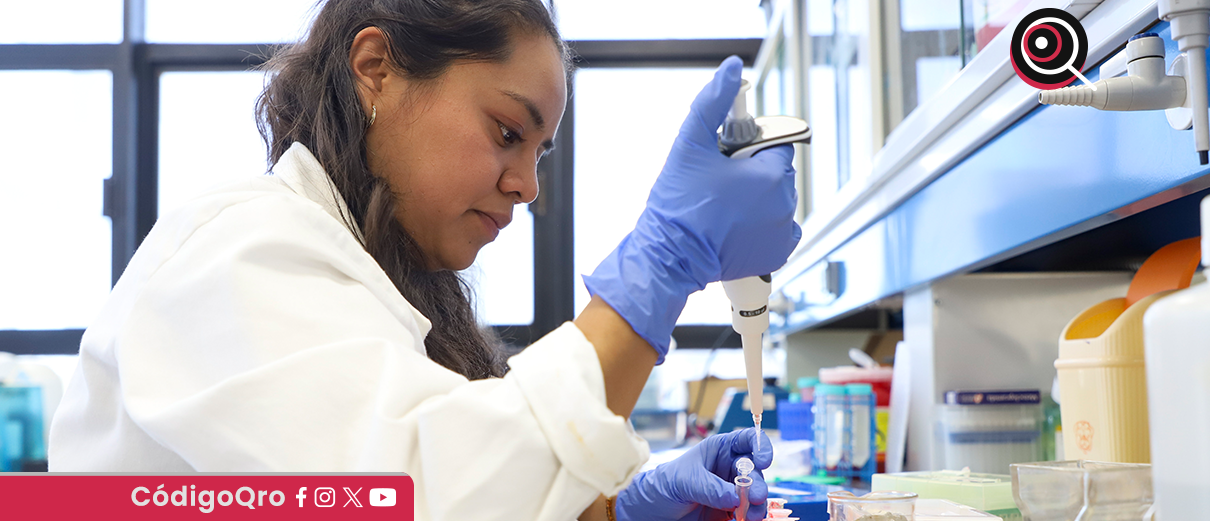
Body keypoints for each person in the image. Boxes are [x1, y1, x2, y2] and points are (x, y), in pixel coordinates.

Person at [47, 1, 800, 520]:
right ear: (375, 67)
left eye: (540, 153)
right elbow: (417, 493)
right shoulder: (235, 256)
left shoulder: (371, 282)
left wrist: (609, 507)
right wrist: (662, 262)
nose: (528, 185)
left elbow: (450, 460)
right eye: (507, 131)